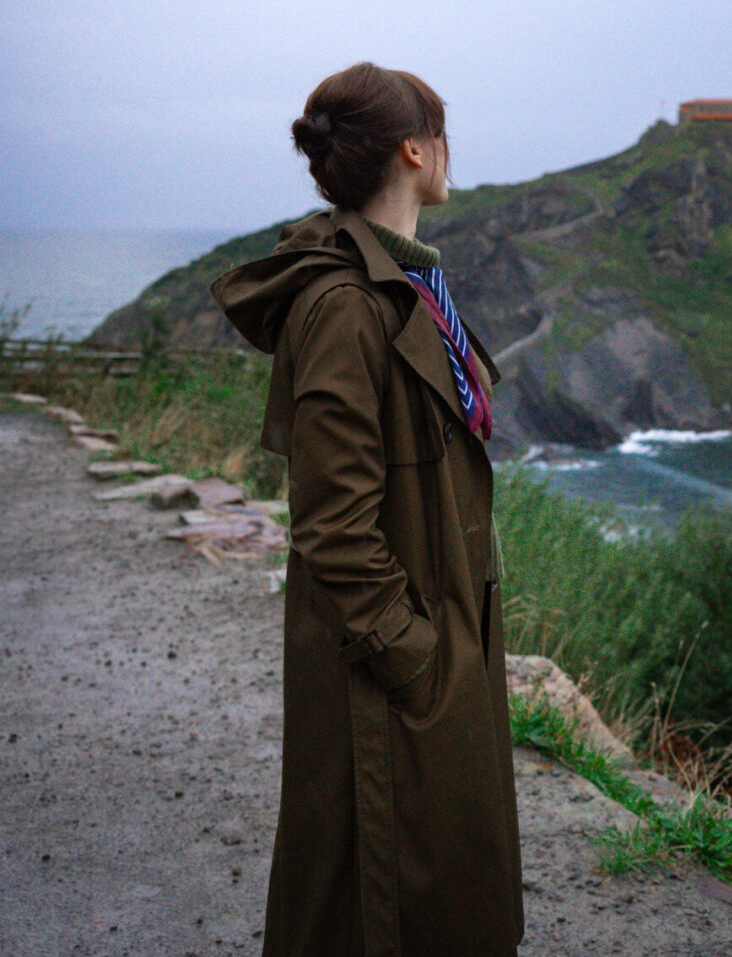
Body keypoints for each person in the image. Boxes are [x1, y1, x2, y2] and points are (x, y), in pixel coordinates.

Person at [211, 62, 524, 957]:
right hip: (394, 675)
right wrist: (422, 664)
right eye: (442, 130)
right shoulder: (348, 304)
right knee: (376, 910)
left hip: (439, 649)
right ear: (414, 151)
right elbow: (333, 525)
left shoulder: (408, 283)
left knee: (431, 899)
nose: (450, 149)